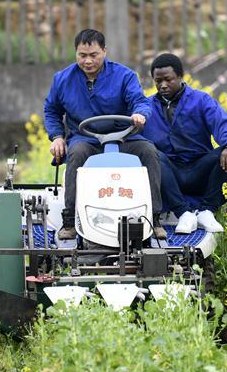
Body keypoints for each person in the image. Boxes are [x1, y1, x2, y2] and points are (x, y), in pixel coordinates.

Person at [44, 29, 166, 240]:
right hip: (86, 138)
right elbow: (51, 111)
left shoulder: (125, 76)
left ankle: (154, 219)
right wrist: (57, 136)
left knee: (149, 152)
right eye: (83, 56)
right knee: (76, 153)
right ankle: (70, 220)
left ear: (104, 52)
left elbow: (140, 101)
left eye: (94, 55)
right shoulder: (62, 79)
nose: (88, 61)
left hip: (124, 136)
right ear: (76, 54)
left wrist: (139, 114)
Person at [142, 53, 227, 234]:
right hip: (168, 176)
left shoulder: (201, 100)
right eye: (158, 81)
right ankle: (184, 213)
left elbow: (223, 123)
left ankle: (206, 211)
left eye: (168, 80)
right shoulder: (146, 107)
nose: (163, 85)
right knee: (152, 154)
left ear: (180, 76)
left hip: (199, 169)